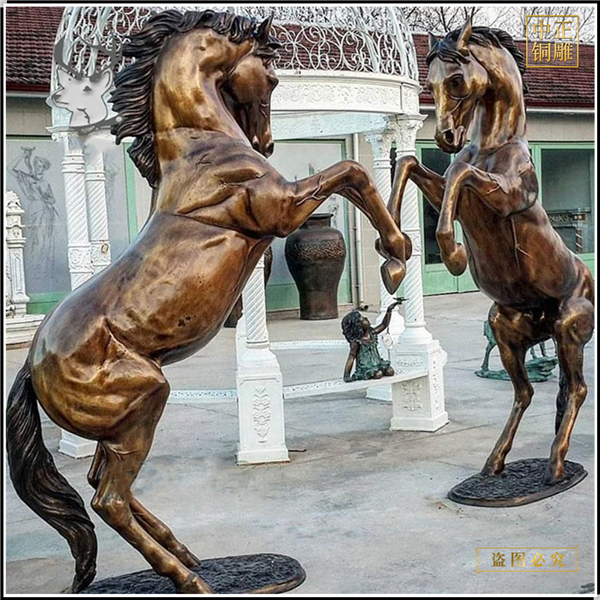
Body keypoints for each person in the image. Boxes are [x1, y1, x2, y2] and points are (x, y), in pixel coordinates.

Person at [341, 299, 404, 382]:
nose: (366, 318)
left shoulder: (371, 332)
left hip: (377, 363)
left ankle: (378, 368)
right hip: (366, 367)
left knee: (390, 371)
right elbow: (351, 357)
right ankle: (368, 373)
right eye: (362, 319)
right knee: (378, 374)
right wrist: (346, 375)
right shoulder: (357, 342)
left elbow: (384, 325)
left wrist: (389, 310)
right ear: (358, 325)